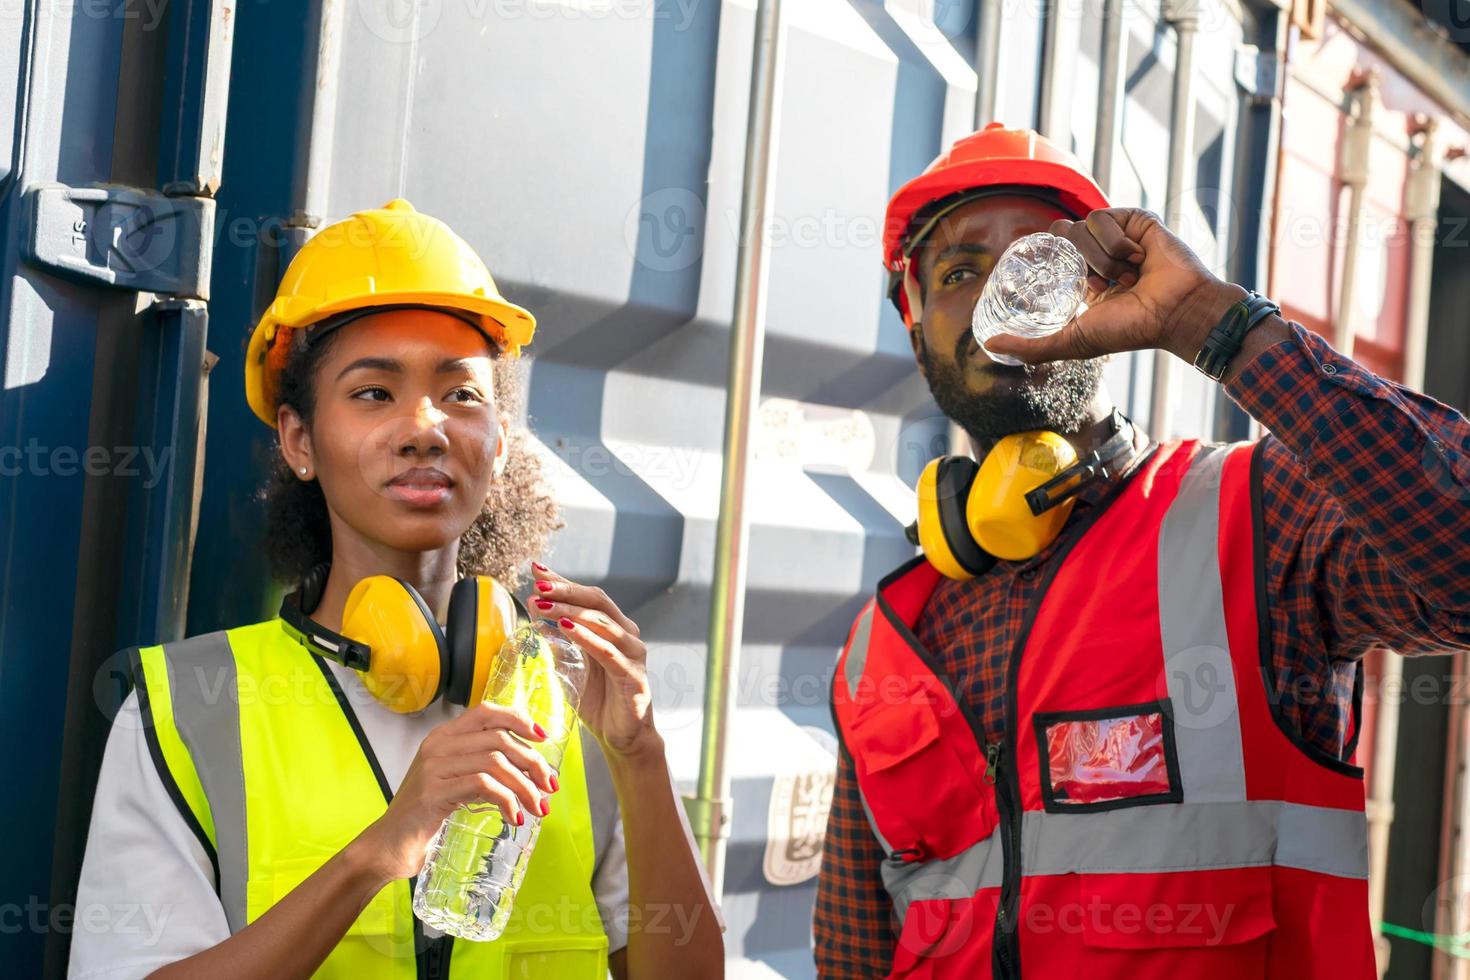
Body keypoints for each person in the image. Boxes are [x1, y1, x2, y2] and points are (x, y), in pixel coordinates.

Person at [813, 123, 1470, 978]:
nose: (1000, 300)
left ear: (1104, 290)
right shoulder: (883, 644)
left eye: (1038, 265)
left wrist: (1212, 322)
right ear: (915, 323)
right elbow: (854, 954)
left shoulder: (1257, 520)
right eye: (960, 272)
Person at [69, 199, 725, 979]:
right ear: (300, 441)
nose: (425, 427)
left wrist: (640, 755)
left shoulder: (572, 696)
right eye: (374, 393)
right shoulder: (188, 706)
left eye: (462, 395)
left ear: (499, 442)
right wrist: (377, 854)